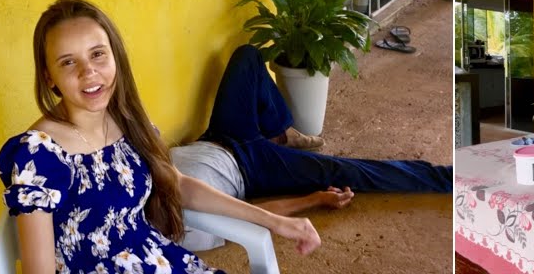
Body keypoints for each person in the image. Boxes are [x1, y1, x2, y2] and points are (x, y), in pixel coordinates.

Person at [0, 0, 318, 274]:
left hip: (160, 261)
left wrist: (273, 220)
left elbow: (177, 183)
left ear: (116, 58)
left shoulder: (127, 121)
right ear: (49, 77)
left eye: (98, 54)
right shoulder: (39, 155)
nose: (88, 71)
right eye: (68, 62)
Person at [170, 44, 454, 250]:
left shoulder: (130, 184)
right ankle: (447, 177)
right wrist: (314, 200)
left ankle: (280, 132)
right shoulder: (186, 236)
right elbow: (250, 218)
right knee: (349, 170)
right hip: (250, 168)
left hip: (216, 135)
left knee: (247, 55)